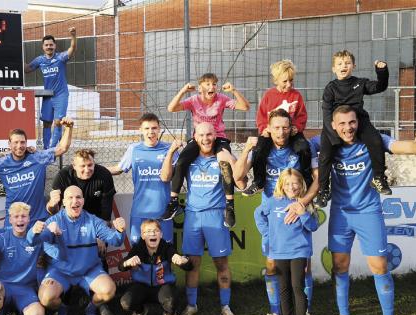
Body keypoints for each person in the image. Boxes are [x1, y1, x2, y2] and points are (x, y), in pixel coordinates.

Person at [316, 105, 416, 315]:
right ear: (334, 126)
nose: (348, 128)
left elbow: (407, 148)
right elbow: (297, 149)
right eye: (342, 124)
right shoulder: (325, 142)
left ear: (357, 122)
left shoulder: (372, 139)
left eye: (352, 122)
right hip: (340, 213)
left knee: (379, 266)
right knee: (339, 266)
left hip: (368, 212)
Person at [232, 109, 323, 315]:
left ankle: (305, 314)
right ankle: (277, 312)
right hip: (274, 212)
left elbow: (318, 179)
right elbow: (238, 176)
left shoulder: (302, 148)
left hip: (298, 207)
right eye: (276, 127)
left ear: (291, 128)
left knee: (304, 266)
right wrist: (246, 149)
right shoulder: (263, 149)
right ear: (268, 129)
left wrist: (302, 203)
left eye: (285, 127)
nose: (280, 132)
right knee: (273, 265)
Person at [168, 123, 244, 315]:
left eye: (209, 134)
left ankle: (225, 305)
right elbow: (168, 175)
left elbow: (240, 180)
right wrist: (171, 151)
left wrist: (232, 157)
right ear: (195, 136)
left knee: (221, 263)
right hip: (193, 216)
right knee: (192, 264)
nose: (206, 138)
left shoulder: (222, 157)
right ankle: (191, 305)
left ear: (215, 135)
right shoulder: (188, 158)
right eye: (201, 134)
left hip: (216, 215)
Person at [163, 73, 250, 227]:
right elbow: (171, 108)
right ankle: (174, 202)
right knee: (182, 161)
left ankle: (229, 206)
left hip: (218, 138)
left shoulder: (222, 99)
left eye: (214, 84)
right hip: (199, 138)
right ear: (200, 87)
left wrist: (234, 91)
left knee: (224, 162)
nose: (212, 87)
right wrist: (183, 91)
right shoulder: (193, 100)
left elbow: (245, 107)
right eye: (208, 84)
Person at [37, 186, 126, 315]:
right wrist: (38, 233)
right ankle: (64, 310)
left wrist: (120, 230)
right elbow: (41, 242)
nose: (75, 201)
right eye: (70, 198)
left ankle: (89, 310)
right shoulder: (53, 222)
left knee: (109, 291)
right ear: (64, 202)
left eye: (78, 197)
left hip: (88, 270)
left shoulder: (92, 220)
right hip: (61, 272)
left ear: (83, 201)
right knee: (46, 298)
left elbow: (115, 240)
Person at [46, 148, 117, 315]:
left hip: (95, 223)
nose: (87, 169)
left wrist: (100, 236)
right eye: (82, 166)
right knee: (65, 256)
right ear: (73, 166)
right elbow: (53, 211)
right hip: (69, 224)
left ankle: (99, 302)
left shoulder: (104, 175)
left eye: (90, 165)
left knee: (100, 254)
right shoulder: (63, 176)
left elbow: (106, 210)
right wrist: (51, 204)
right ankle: (65, 296)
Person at [316, 50, 390, 207]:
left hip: (358, 120)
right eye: (340, 64)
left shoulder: (360, 83)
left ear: (353, 66)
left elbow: (380, 87)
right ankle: (323, 190)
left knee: (376, 141)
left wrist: (382, 72)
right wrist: (335, 137)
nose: (344, 66)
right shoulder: (330, 88)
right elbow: (326, 113)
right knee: (324, 155)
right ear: (333, 68)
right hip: (335, 125)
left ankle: (378, 178)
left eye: (347, 63)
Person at [255, 169, 318, 315]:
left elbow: (313, 226)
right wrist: (268, 235)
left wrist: (302, 213)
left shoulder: (306, 202)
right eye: (287, 183)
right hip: (279, 252)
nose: (291, 187)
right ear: (281, 185)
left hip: (299, 251)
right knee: (283, 288)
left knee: (297, 286)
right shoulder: (273, 201)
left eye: (295, 183)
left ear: (302, 184)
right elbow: (258, 214)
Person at [0, 118, 73, 226]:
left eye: (22, 142)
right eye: (15, 142)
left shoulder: (37, 158)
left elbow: (62, 148)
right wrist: (0, 154)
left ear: (26, 143)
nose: (19, 146)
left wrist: (69, 128)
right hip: (14, 220)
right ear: (9, 144)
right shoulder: (1, 164)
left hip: (38, 219)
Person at [243, 59, 312, 195]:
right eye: (285, 81)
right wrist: (264, 129)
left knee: (304, 148)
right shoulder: (269, 95)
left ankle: (306, 178)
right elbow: (261, 116)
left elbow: (302, 115)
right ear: (276, 80)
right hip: (272, 133)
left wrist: (297, 127)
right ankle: (259, 181)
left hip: (290, 132)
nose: (289, 84)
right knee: (259, 150)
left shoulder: (296, 95)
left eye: (291, 80)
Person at [109, 113, 179, 246]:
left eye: (154, 128)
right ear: (141, 130)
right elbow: (118, 169)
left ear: (159, 129)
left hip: (163, 211)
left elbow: (172, 176)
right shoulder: (134, 149)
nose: (151, 132)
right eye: (147, 128)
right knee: (138, 253)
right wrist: (94, 169)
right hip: (140, 211)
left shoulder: (170, 149)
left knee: (165, 254)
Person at [118, 219, 192, 315]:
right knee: (126, 303)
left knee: (171, 302)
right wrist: (127, 262)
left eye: (156, 231)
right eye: (148, 231)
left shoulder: (167, 248)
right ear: (142, 235)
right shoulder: (138, 248)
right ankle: (139, 312)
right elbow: (121, 266)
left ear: (161, 234)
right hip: (142, 287)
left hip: (163, 286)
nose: (152, 234)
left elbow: (189, 267)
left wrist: (183, 261)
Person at [25, 28, 77, 148]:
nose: (49, 47)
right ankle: (46, 148)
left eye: (51, 45)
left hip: (61, 94)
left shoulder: (60, 58)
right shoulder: (40, 60)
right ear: (43, 47)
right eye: (46, 45)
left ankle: (53, 150)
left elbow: (72, 49)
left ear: (55, 46)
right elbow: (27, 69)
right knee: (47, 123)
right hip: (48, 95)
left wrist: (73, 36)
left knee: (58, 122)